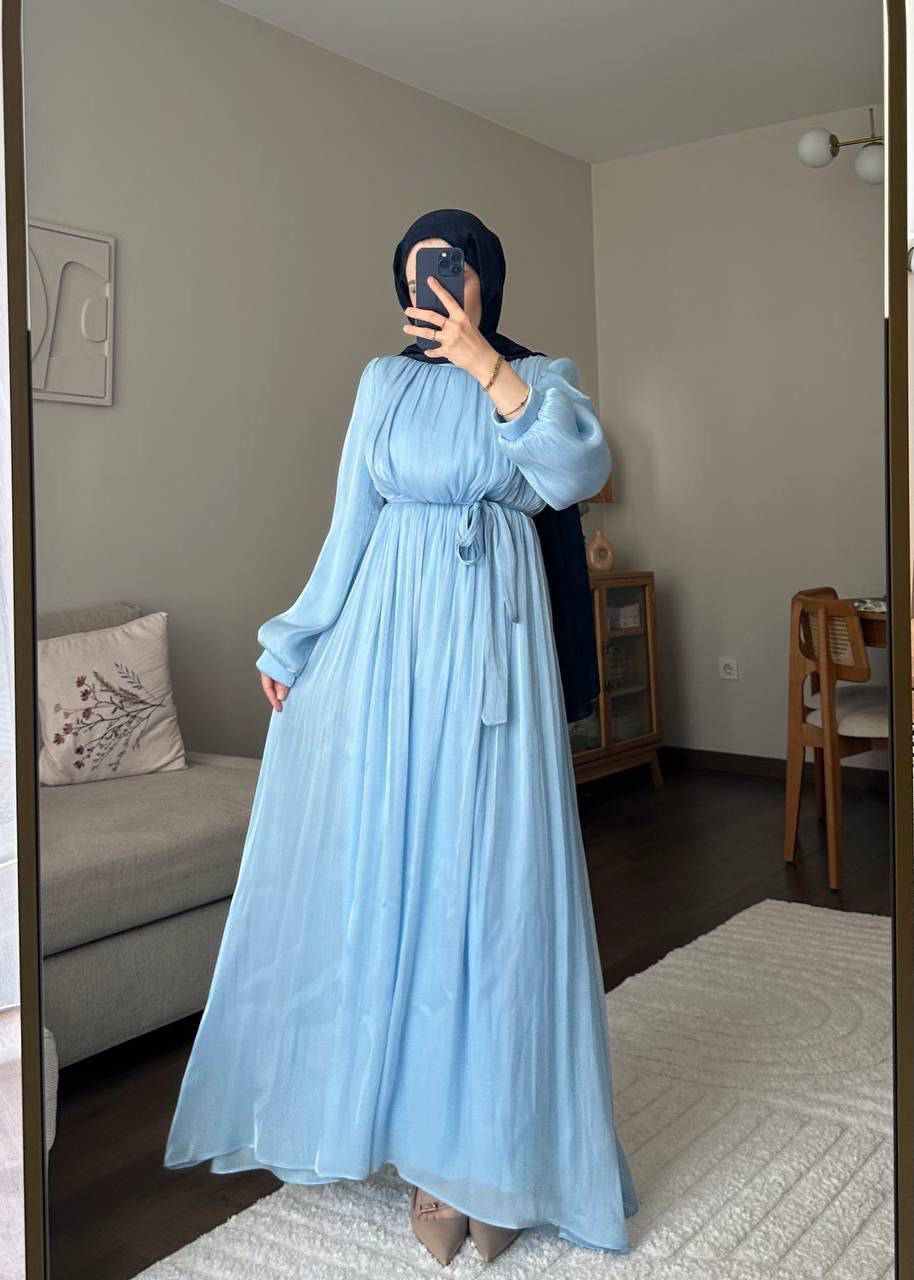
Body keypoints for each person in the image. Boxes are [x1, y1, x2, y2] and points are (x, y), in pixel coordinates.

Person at [163, 208, 639, 1266]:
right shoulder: (380, 384)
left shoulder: (538, 377)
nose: (432, 287)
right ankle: (425, 1153)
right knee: (408, 882)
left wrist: (483, 363)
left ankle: (494, 1155)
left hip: (492, 649)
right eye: (416, 272)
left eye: (450, 269)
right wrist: (293, 640)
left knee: (497, 892)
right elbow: (351, 521)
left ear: (483, 281)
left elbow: (574, 471)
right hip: (389, 647)